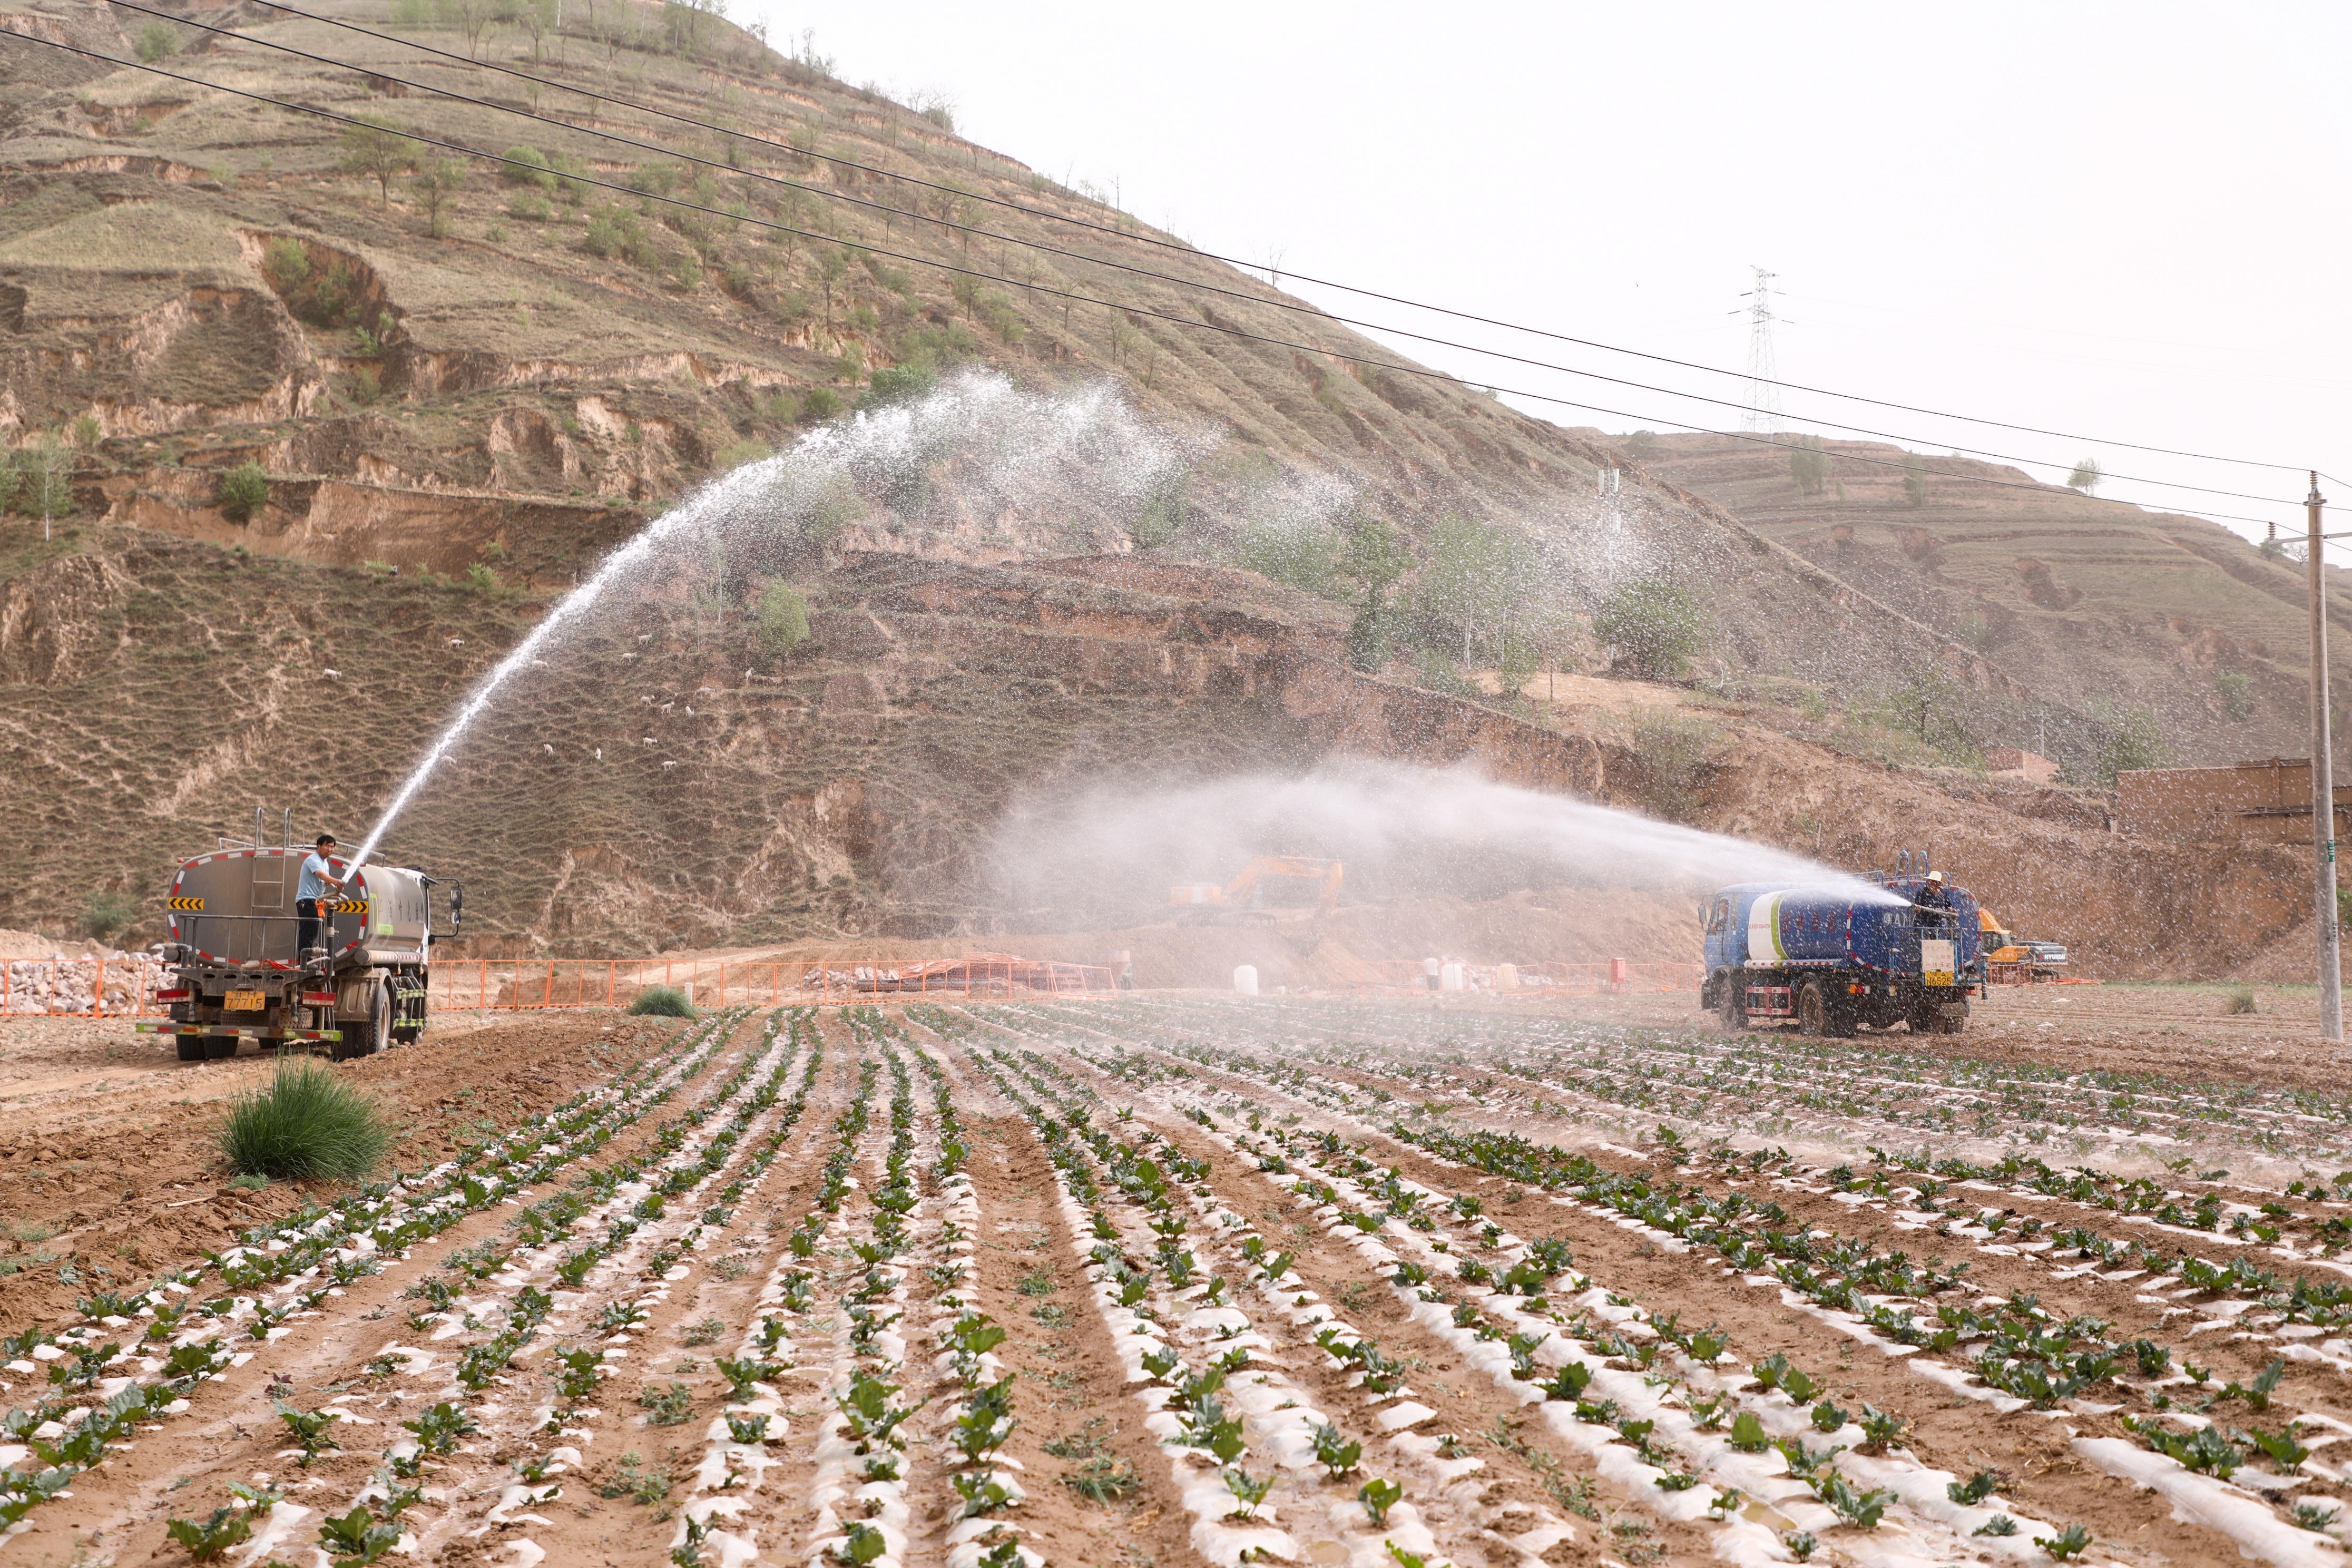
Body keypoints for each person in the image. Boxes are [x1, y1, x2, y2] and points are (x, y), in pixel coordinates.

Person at [297, 834, 348, 962]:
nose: (330, 849)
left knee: (315, 929)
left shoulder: (325, 863)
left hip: (316, 901)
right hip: (307, 900)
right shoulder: (313, 860)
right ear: (318, 846)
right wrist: (336, 882)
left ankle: (310, 957)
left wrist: (337, 887)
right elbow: (321, 875)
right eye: (327, 846)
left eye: (332, 847)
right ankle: (304, 960)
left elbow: (326, 880)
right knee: (309, 930)